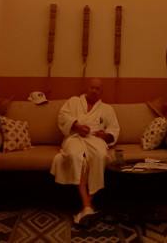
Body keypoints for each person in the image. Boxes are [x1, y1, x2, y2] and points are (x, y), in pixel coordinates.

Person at [51, 78, 120, 225]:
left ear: (101, 92)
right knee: (75, 156)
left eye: (97, 88)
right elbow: (63, 116)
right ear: (86, 88)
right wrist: (76, 126)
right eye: (92, 87)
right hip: (74, 137)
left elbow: (114, 129)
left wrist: (106, 136)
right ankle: (87, 204)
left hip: (95, 139)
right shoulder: (74, 101)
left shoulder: (107, 109)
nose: (94, 90)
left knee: (101, 156)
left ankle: (87, 205)